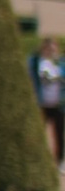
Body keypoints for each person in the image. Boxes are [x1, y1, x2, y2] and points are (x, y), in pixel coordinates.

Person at [37, 32, 64, 167]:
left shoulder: (60, 63)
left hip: (57, 105)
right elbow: (45, 79)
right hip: (42, 105)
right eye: (49, 48)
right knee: (38, 134)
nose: (51, 51)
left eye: (53, 48)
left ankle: (60, 162)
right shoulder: (38, 62)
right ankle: (38, 160)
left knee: (59, 135)